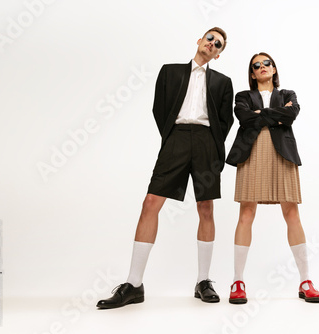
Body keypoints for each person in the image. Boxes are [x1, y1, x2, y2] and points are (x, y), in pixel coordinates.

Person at [97, 27, 234, 309]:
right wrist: (172, 138)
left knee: (206, 208)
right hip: (176, 139)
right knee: (150, 202)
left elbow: (225, 120)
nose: (212, 44)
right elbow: (160, 109)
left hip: (207, 142)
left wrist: (212, 145)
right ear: (199, 40)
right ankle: (134, 284)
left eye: (218, 44)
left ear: (219, 54)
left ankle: (203, 281)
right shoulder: (170, 72)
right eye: (210, 38)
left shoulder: (223, 81)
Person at [225, 52, 319, 304]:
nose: (262, 67)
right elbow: (244, 118)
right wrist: (276, 115)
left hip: (283, 153)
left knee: (291, 212)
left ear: (274, 68)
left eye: (266, 63)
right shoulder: (243, 96)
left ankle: (305, 280)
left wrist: (262, 114)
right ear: (252, 73)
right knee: (246, 212)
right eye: (256, 65)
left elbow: (291, 114)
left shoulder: (288, 94)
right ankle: (237, 281)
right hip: (252, 152)